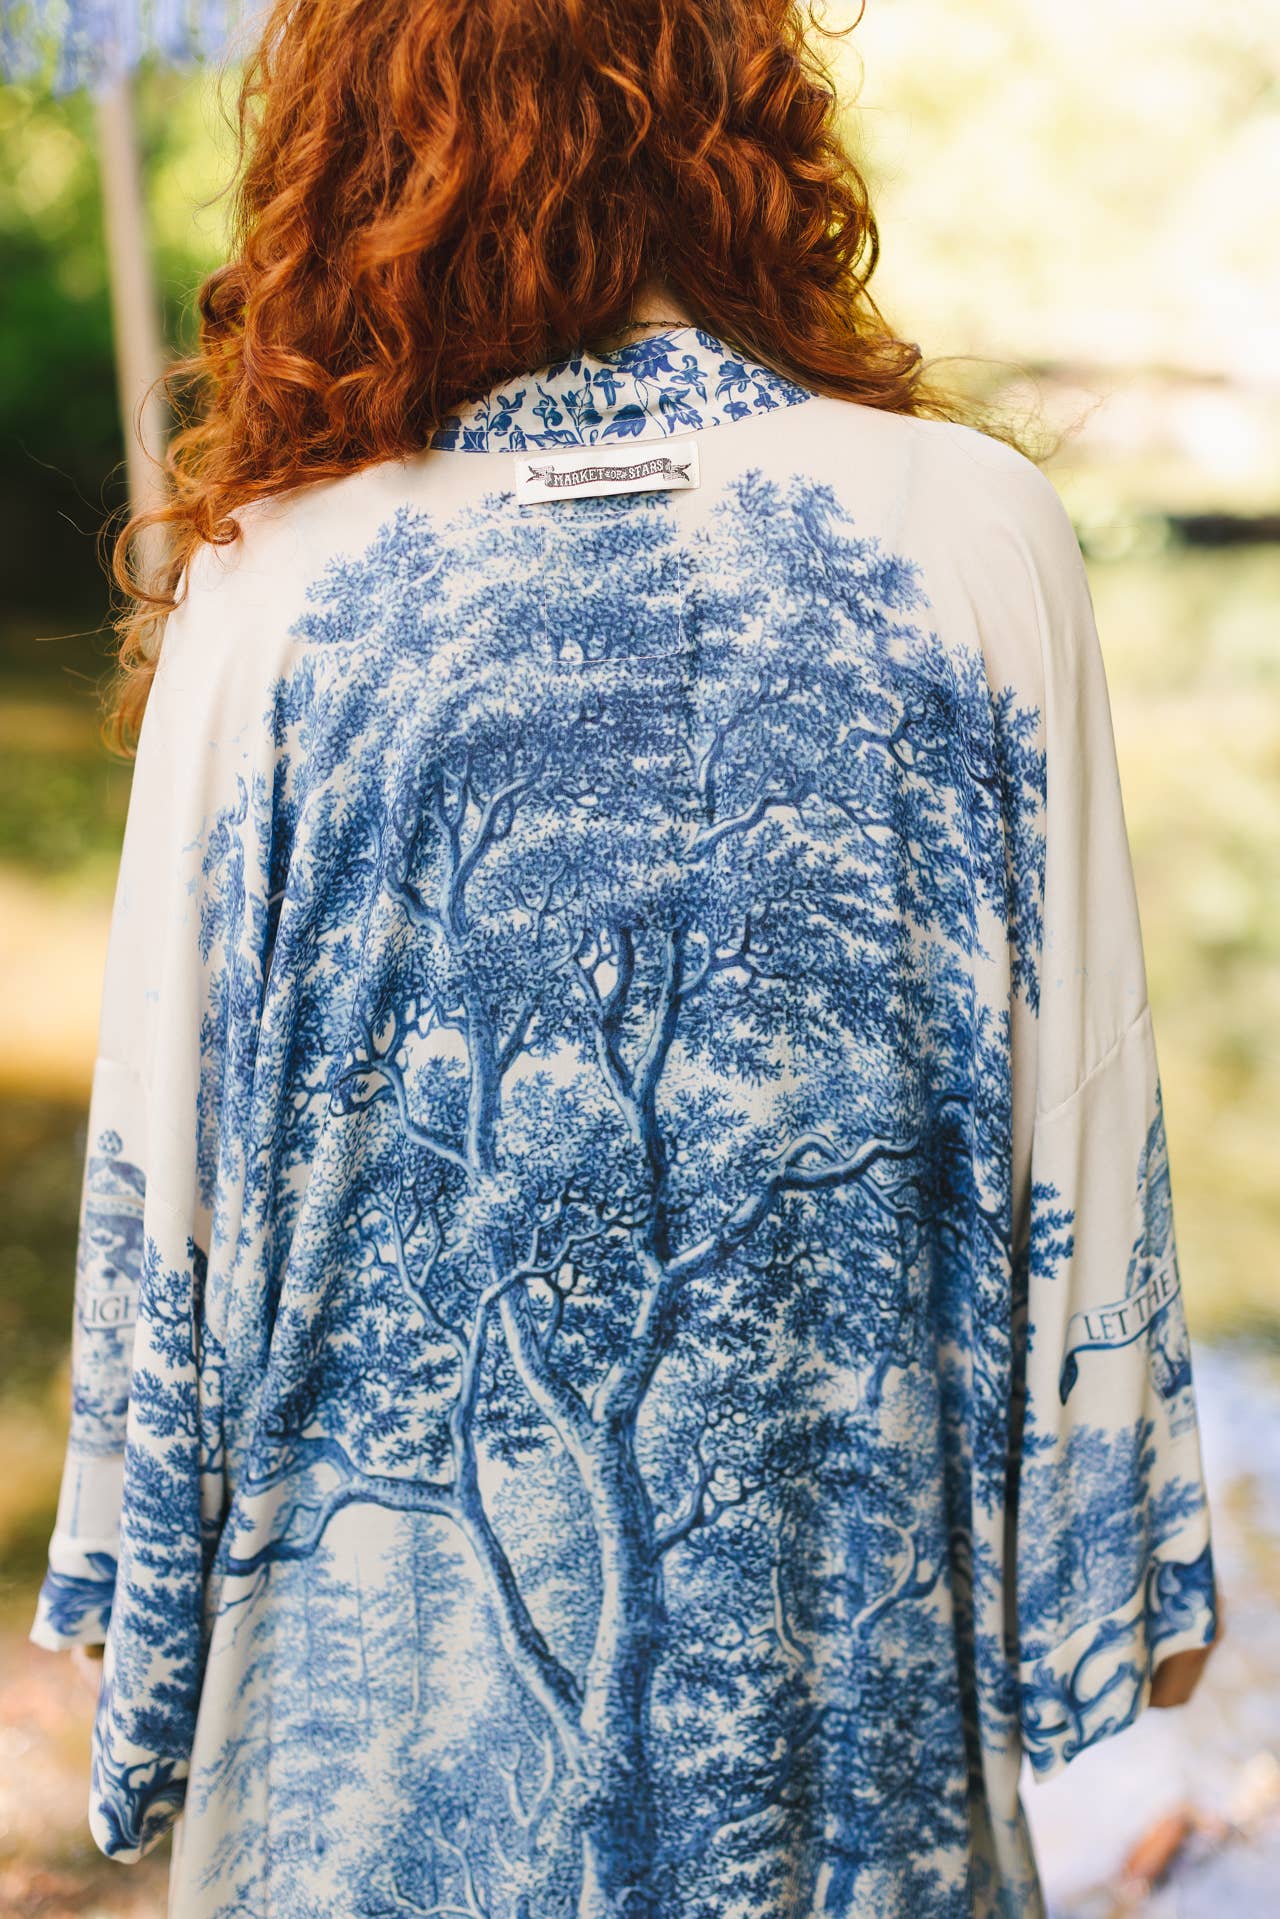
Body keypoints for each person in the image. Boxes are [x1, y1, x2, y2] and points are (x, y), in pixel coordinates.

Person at [31, 2, 1219, 1914]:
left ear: (360, 140)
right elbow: (1083, 1108)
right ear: (745, 105)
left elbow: (162, 1194)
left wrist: (137, 1610)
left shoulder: (274, 592)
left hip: (351, 1813)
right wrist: (1109, 1584)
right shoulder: (974, 540)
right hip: (855, 1769)